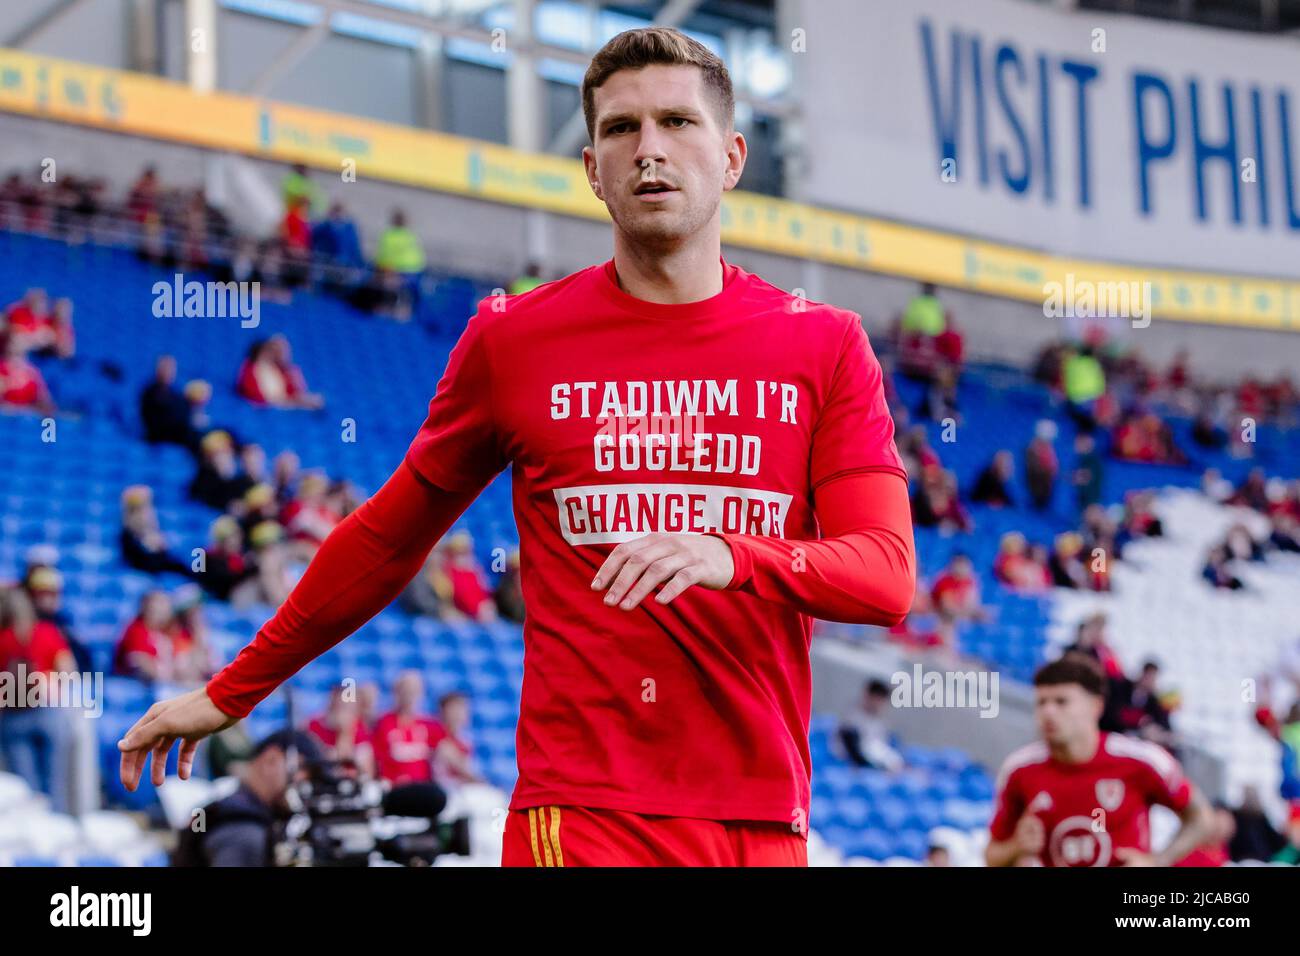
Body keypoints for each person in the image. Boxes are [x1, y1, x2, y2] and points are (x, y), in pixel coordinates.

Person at [117, 26, 916, 869]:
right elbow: (386, 540)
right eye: (620, 129)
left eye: (679, 123)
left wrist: (732, 554)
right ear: (592, 170)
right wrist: (231, 690)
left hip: (764, 823)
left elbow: (886, 574)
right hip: (582, 818)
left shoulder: (825, 346)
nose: (649, 150)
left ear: (732, 157)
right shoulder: (514, 342)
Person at [986, 656, 1213, 867]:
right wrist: (1016, 847)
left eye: (1061, 702)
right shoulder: (1019, 769)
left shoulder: (1142, 760)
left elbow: (1200, 817)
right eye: (1041, 702)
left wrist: (1157, 861)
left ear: (1096, 706)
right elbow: (991, 855)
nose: (1048, 712)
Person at [172, 729, 324, 867]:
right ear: (270, 760)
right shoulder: (244, 831)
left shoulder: (234, 807)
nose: (304, 780)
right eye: (301, 768)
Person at [0, 588, 75, 813]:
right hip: (48, 710)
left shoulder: (3, 638)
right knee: (55, 782)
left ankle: (34, 834)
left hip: (13, 715)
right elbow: (68, 671)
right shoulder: (47, 631)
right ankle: (56, 834)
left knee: (26, 788)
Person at [836, 679, 903, 772]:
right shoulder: (852, 720)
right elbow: (854, 754)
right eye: (877, 698)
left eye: (882, 700)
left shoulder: (880, 722)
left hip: (873, 763)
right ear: (868, 696)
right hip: (851, 765)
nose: (880, 704)